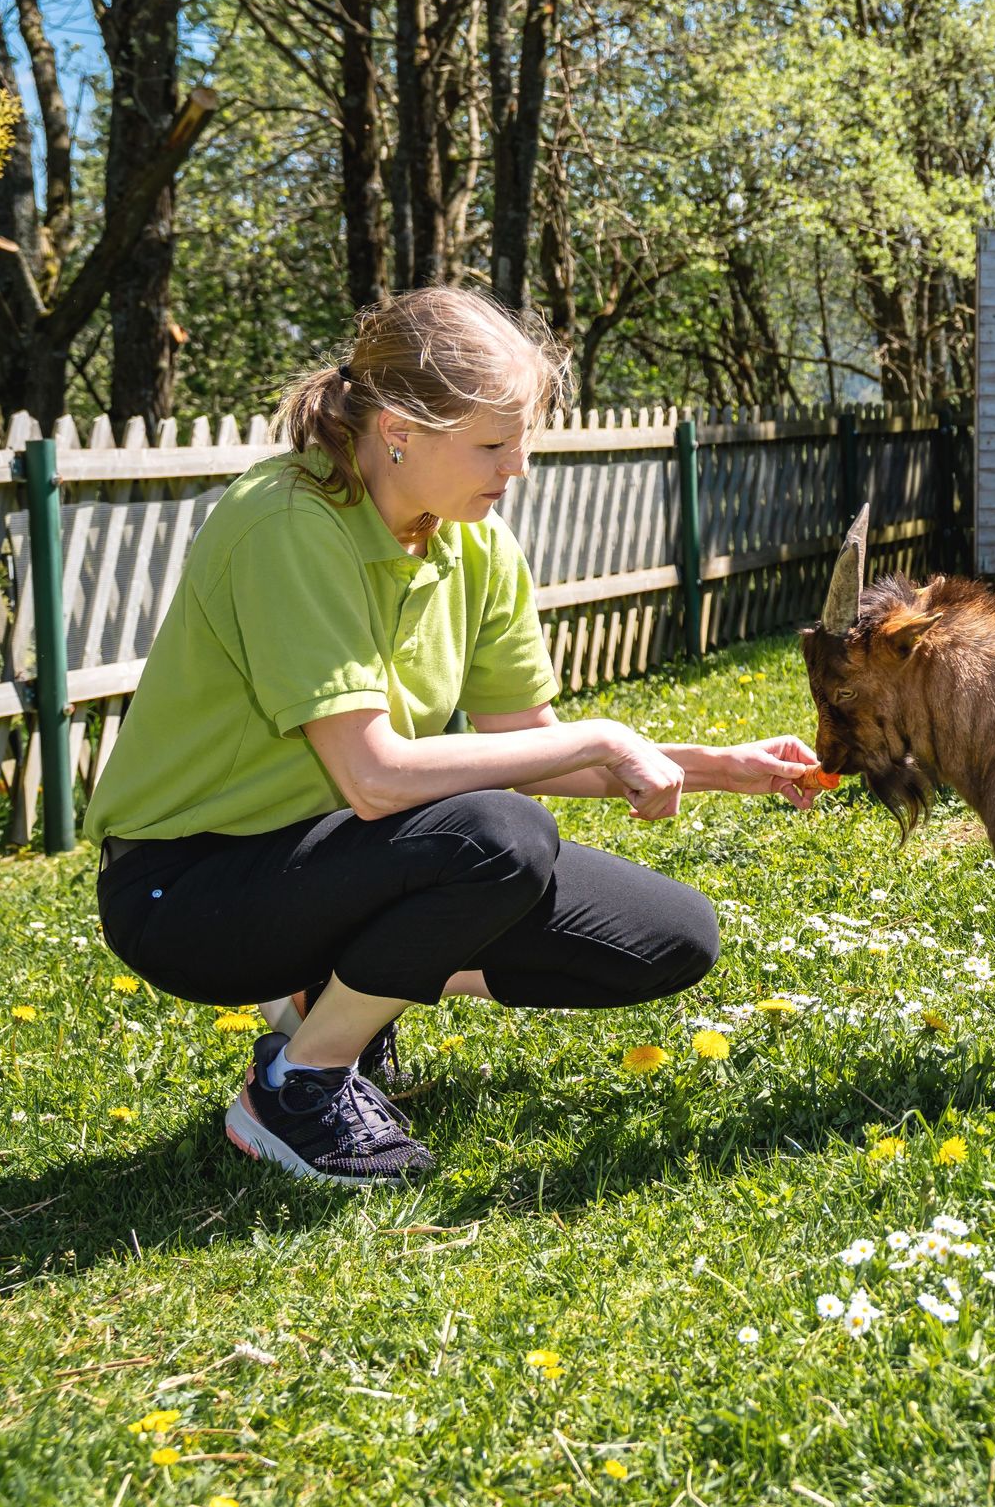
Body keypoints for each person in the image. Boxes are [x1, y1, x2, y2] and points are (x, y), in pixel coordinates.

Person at [85, 288, 826, 1185]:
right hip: (188, 890)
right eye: (492, 443)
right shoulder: (286, 524)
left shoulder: (475, 544)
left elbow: (531, 741)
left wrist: (714, 767)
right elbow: (376, 778)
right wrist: (602, 735)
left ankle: (334, 997)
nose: (517, 468)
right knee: (499, 836)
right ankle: (299, 1086)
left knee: (671, 935)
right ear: (400, 428)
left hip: (332, 861)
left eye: (523, 440)